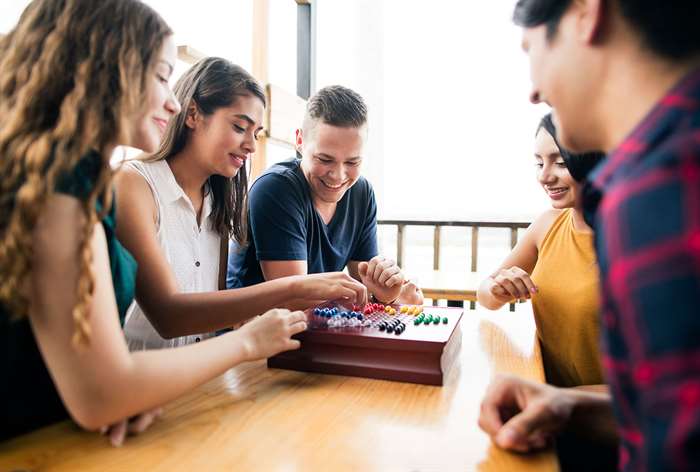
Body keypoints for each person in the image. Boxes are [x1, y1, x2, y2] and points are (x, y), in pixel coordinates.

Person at [0, 0, 306, 446]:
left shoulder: (77, 184)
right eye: (161, 76)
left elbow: (92, 375)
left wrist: (129, 392)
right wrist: (248, 342)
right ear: (105, 70)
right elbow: (101, 390)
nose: (172, 100)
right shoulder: (63, 192)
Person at [478, 1, 700, 470]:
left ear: (585, 13)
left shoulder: (661, 186)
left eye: (532, 49)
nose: (535, 91)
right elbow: (668, 415)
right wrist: (571, 406)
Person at [115, 57, 367, 350]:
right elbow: (169, 317)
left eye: (256, 133)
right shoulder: (134, 185)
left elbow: (216, 314)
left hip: (204, 377)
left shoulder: (218, 203)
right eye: (239, 127)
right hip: (142, 380)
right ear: (193, 114)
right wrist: (294, 287)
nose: (251, 144)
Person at [227, 85, 423, 306]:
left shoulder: (361, 192)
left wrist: (385, 292)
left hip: (312, 332)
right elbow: (295, 301)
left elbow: (366, 284)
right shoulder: (275, 189)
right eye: (325, 159)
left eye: (352, 162)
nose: (338, 176)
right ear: (300, 141)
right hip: (250, 332)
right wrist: (380, 299)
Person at [478, 113, 605, 388]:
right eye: (539, 163)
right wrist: (498, 289)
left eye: (560, 162)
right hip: (550, 406)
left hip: (606, 420)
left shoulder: (634, 243)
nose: (544, 176)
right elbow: (484, 295)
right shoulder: (547, 224)